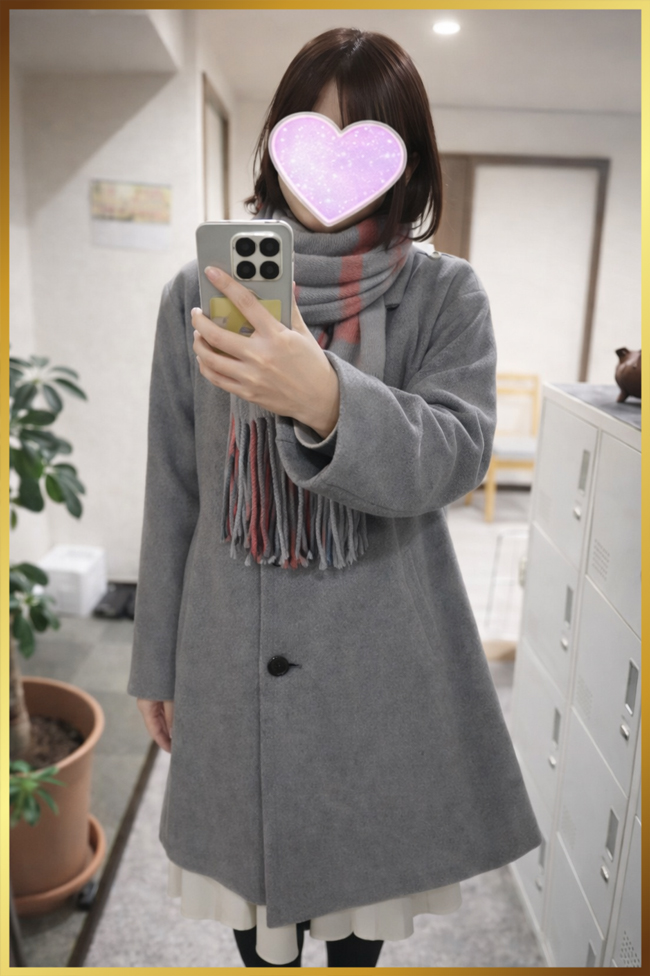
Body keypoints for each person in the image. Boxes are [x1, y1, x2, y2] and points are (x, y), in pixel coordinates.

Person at [128, 27, 543, 968]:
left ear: (408, 160)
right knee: (257, 919)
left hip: (380, 665)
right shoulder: (199, 291)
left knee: (360, 922)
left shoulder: (445, 296)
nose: (330, 173)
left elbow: (459, 454)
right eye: (311, 138)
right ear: (275, 144)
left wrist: (325, 399)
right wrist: (158, 661)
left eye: (366, 142)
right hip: (231, 651)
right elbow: (174, 483)